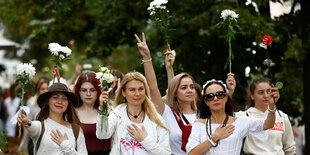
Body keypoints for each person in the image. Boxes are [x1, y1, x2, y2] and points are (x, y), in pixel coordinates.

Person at [134, 32, 235, 154]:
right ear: (175, 93)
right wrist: (147, 58)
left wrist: (229, 92)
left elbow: (222, 110)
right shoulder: (166, 112)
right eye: (184, 87)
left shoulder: (204, 112)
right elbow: (153, 87)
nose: (189, 90)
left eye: (192, 87)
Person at [186, 79, 278, 155]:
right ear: (206, 102)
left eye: (220, 94)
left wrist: (271, 105)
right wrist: (214, 137)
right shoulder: (199, 124)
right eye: (210, 96)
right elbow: (191, 154)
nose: (215, 98)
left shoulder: (239, 121)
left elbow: (268, 124)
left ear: (226, 98)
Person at [96, 72, 171, 154]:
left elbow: (166, 153)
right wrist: (103, 110)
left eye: (141, 89)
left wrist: (145, 140)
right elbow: (102, 135)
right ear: (123, 93)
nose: (137, 94)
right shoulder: (117, 114)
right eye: (132, 90)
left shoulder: (157, 119)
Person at [17, 82, 87, 154]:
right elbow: (31, 125)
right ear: (47, 101)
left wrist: (65, 145)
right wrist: (26, 121)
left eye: (64, 99)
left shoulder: (77, 130)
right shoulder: (40, 127)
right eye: (55, 97)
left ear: (68, 103)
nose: (60, 101)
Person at [235, 77, 296, 155]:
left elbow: (290, 149)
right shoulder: (243, 116)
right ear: (252, 96)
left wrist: (272, 105)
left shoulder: (282, 116)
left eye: (268, 91)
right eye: (261, 92)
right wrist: (230, 93)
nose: (266, 95)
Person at [74, 71, 111, 154]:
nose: (88, 94)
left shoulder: (108, 111)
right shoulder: (71, 113)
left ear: (99, 91)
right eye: (84, 90)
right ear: (78, 92)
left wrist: (103, 108)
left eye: (92, 90)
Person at [18, 76, 50, 154]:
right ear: (38, 91)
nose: (45, 91)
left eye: (47, 88)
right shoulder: (33, 105)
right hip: (34, 140)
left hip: (48, 141)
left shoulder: (52, 105)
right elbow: (28, 124)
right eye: (43, 89)